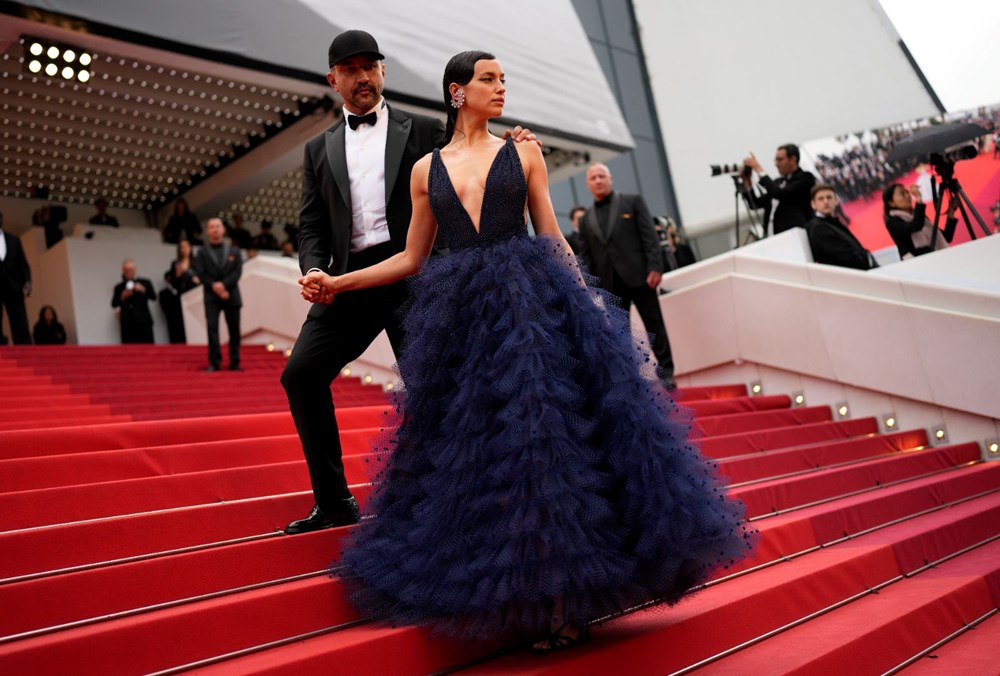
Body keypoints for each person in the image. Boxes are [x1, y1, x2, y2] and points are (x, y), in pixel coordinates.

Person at [304, 50, 753, 650]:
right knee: (481, 457)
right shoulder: (424, 169)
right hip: (461, 321)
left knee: (546, 446)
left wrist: (589, 302)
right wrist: (338, 281)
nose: (501, 87)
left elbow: (552, 235)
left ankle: (564, 600)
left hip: (530, 310)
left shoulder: (525, 151)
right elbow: (410, 258)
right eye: (489, 79)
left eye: (504, 78)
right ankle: (518, 597)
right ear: (457, 92)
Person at [281, 31, 536, 537]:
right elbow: (310, 224)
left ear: (382, 71)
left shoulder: (420, 129)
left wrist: (518, 149)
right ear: (333, 79)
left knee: (437, 389)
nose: (363, 76)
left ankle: (458, 504)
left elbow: (472, 165)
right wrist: (314, 270)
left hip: (420, 278)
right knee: (301, 375)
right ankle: (333, 503)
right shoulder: (317, 149)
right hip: (350, 279)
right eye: (350, 69)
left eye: (370, 66)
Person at [578, 162, 676, 387]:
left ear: (610, 178)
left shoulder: (632, 201)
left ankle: (667, 373)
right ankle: (633, 379)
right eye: (593, 178)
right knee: (621, 335)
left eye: (602, 176)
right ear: (587, 184)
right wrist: (592, 287)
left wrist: (655, 267)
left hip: (642, 278)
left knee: (655, 327)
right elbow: (586, 256)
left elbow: (649, 237)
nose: (598, 181)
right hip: (610, 286)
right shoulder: (586, 219)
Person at [194, 218, 242, 371]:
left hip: (231, 294)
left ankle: (235, 362)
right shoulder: (201, 253)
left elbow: (237, 272)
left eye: (218, 226)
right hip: (211, 296)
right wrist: (215, 286)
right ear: (208, 231)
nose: (215, 229)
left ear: (223, 229)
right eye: (212, 227)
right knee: (212, 329)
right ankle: (214, 362)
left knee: (234, 330)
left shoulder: (234, 250)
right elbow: (200, 273)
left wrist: (224, 285)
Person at [744, 143, 817, 236]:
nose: (776, 164)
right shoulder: (778, 182)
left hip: (794, 237)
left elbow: (780, 194)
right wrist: (747, 182)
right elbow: (754, 204)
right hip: (772, 238)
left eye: (780, 160)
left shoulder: (805, 178)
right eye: (776, 160)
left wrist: (758, 169)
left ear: (793, 159)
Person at [806, 184, 876, 270]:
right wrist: (867, 261)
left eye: (829, 197)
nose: (825, 201)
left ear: (836, 201)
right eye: (820, 199)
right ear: (813, 204)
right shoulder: (817, 227)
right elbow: (844, 255)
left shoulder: (832, 221)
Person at [882, 183, 958, 259]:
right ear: (891, 203)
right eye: (902, 193)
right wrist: (918, 198)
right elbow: (916, 225)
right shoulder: (892, 222)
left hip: (939, 258)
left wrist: (951, 211)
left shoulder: (918, 215)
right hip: (918, 264)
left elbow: (947, 236)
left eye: (907, 192)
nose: (907, 196)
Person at [0, 210, 33, 345]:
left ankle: (25, 352)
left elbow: (23, 264)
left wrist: (27, 282)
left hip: (13, 286)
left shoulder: (14, 239)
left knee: (20, 322)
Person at [160, 239, 201, 343]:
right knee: (182, 322)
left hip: (195, 294)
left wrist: (199, 280)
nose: (184, 249)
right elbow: (172, 282)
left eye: (186, 246)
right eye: (182, 247)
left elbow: (205, 276)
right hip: (181, 296)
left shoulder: (197, 261)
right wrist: (177, 274)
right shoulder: (176, 263)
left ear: (190, 248)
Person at [111, 259, 156, 343]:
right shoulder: (119, 287)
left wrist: (143, 289)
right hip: (127, 324)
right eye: (126, 270)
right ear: (123, 271)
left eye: (131, 269)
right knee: (129, 351)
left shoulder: (145, 282)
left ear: (135, 269)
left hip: (144, 322)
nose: (129, 272)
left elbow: (153, 297)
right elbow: (114, 304)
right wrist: (122, 297)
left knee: (148, 349)